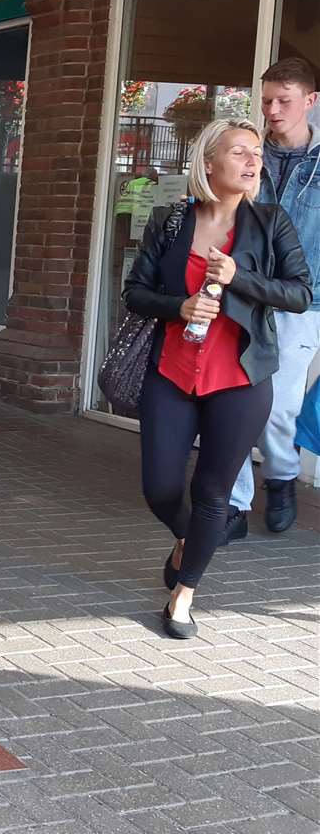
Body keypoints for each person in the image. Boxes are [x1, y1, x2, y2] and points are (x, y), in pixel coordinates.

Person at [124, 117, 310, 639]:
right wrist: (179, 306)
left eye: (257, 153)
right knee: (161, 487)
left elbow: (298, 291)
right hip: (173, 372)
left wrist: (238, 279)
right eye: (239, 152)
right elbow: (134, 293)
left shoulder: (271, 223)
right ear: (208, 163)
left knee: (213, 493)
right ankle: (190, 542)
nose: (253, 161)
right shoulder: (170, 219)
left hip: (240, 379)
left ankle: (184, 595)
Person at [229, 58, 320, 537]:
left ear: (311, 100)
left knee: (279, 406)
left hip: (303, 300)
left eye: (284, 100)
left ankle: (281, 476)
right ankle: (235, 504)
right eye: (266, 100)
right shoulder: (248, 154)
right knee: (234, 398)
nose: (273, 109)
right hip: (240, 291)